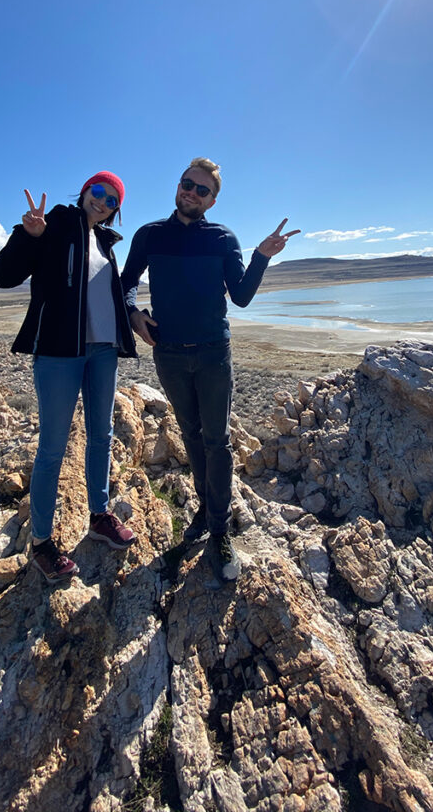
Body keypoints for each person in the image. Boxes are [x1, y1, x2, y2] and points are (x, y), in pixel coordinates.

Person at [120, 157, 298, 588]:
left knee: (217, 440)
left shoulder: (222, 238)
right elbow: (125, 283)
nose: (192, 193)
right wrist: (133, 315)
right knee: (192, 434)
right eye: (188, 184)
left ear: (212, 201)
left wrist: (261, 257)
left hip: (214, 354)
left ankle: (219, 530)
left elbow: (241, 296)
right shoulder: (150, 235)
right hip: (169, 355)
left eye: (202, 190)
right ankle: (206, 506)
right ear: (178, 186)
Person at [0, 172, 138, 584]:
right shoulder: (54, 223)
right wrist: (28, 236)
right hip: (59, 353)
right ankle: (41, 543)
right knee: (53, 447)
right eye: (98, 192)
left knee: (101, 435)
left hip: (103, 351)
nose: (102, 202)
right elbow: (4, 276)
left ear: (115, 210)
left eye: (112, 200)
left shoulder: (105, 242)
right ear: (85, 191)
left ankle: (99, 516)